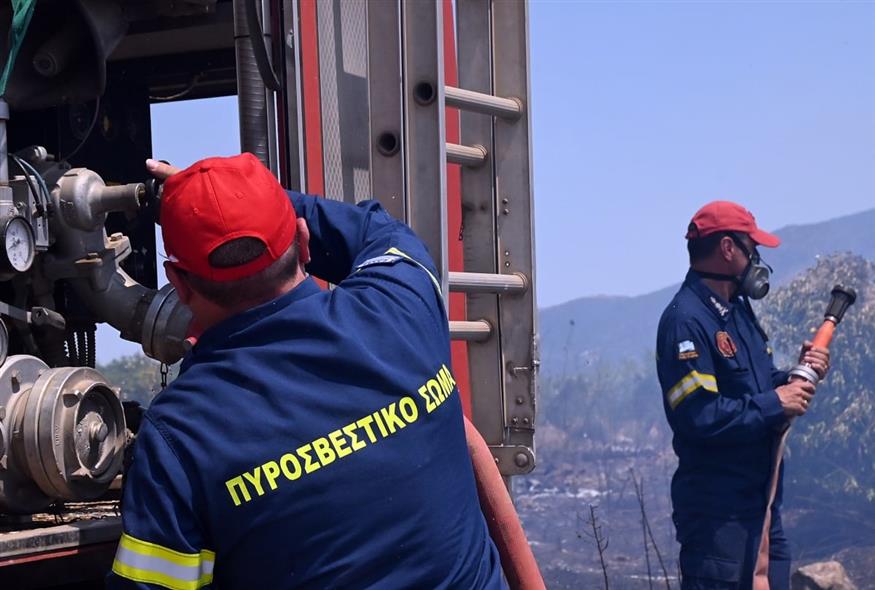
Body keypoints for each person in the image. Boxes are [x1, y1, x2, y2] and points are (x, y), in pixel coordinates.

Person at [107, 153, 505, 589]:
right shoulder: (402, 305)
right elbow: (376, 230)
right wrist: (257, 202)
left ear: (178, 282)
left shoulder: (180, 437)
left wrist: (203, 206)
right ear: (303, 239)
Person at [655, 201, 830, 590]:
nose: (757, 258)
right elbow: (698, 416)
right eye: (753, 247)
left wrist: (797, 374)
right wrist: (776, 402)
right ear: (729, 249)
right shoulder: (686, 320)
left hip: (763, 506)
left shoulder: (736, 309)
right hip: (720, 517)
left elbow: (761, 383)